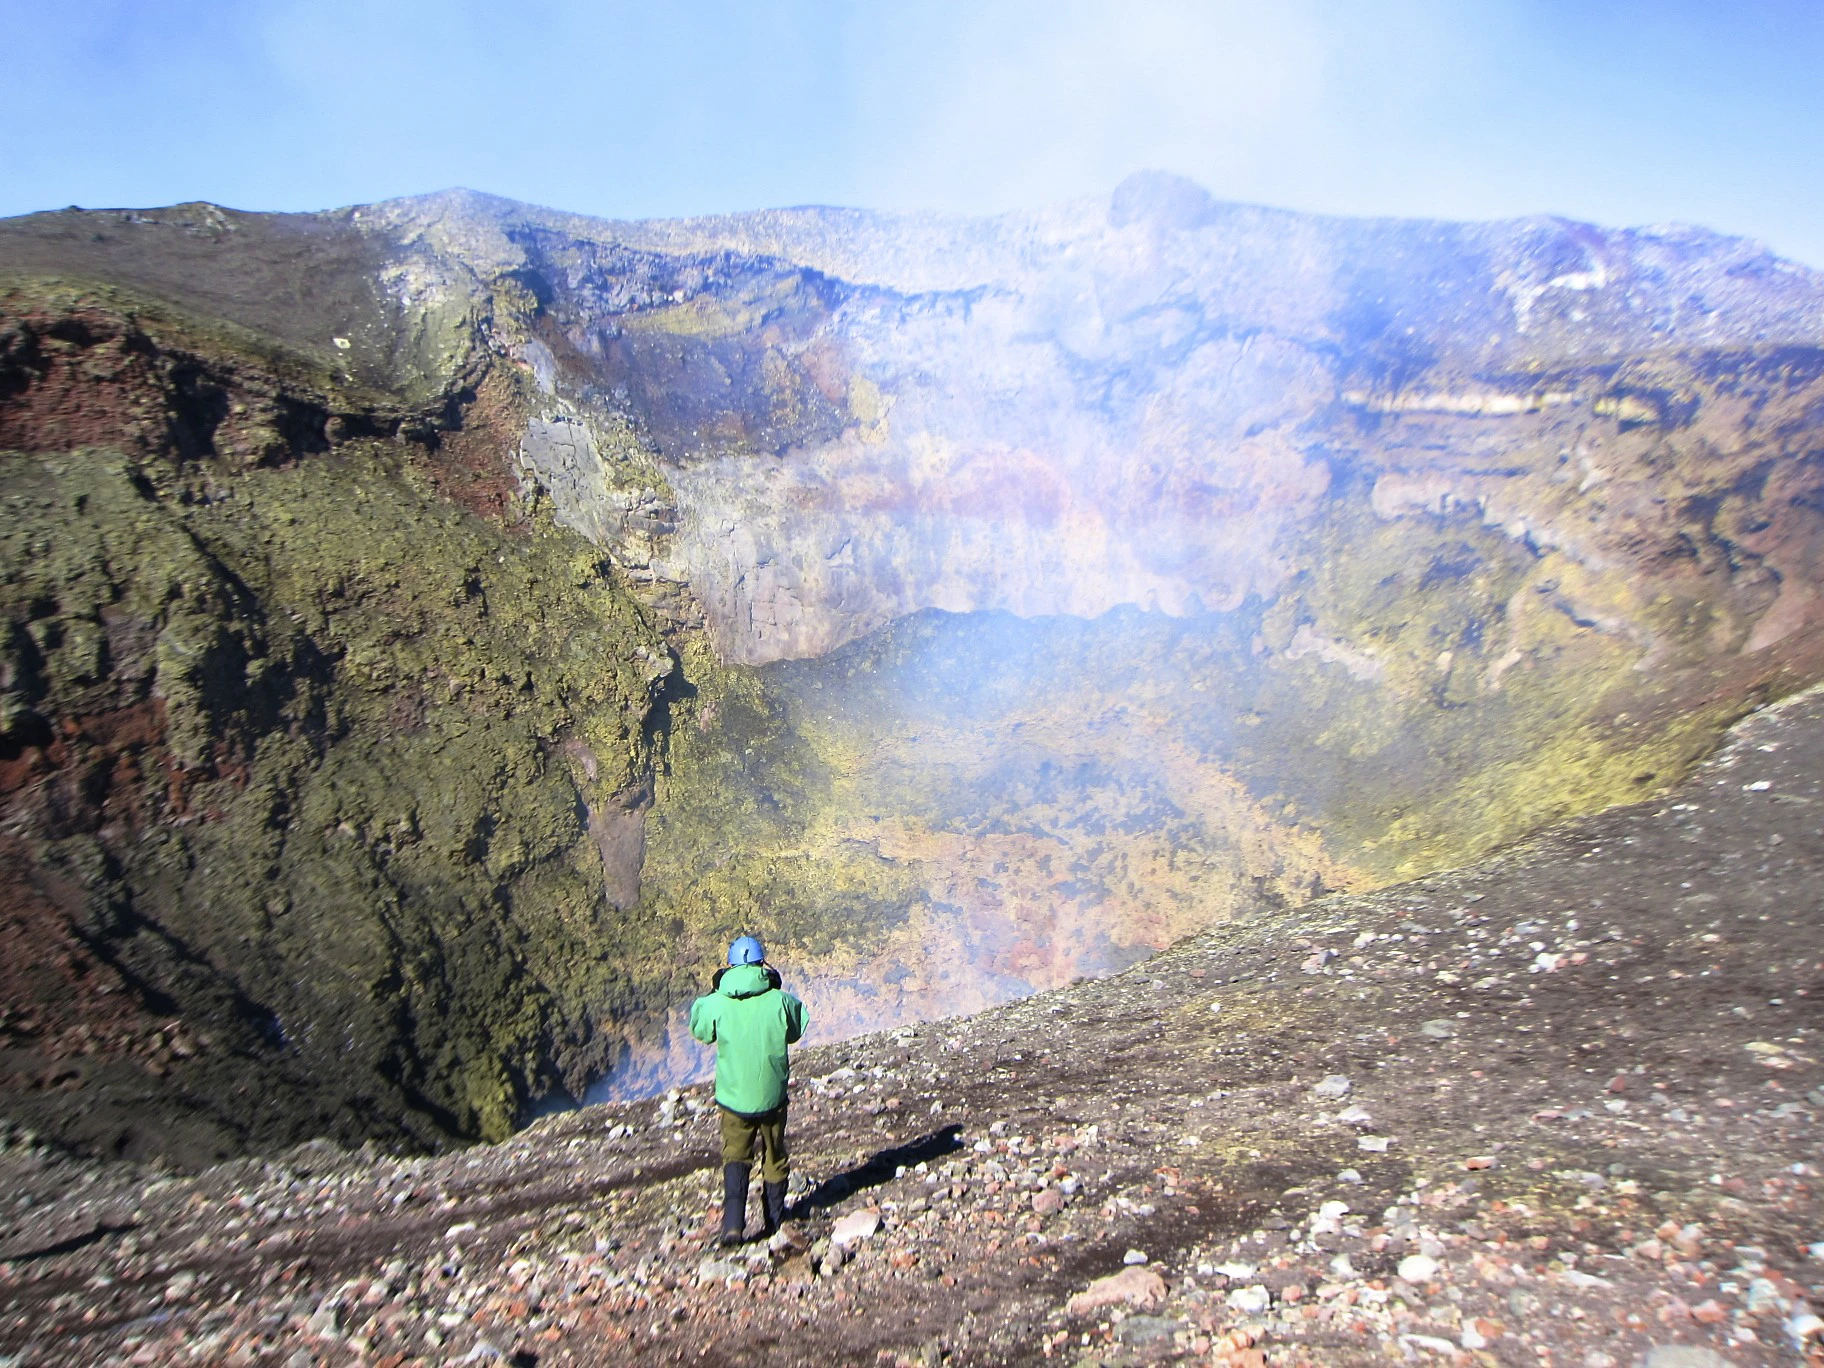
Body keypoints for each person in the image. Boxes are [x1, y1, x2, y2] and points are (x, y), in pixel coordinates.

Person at [689, 934, 808, 1245]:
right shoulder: (780, 1001)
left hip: (733, 1098)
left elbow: (701, 1030)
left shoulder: (717, 1001)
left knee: (736, 1156)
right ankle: (774, 1221)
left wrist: (715, 990)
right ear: (762, 965)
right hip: (772, 1097)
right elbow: (796, 1029)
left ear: (730, 966)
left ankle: (732, 1227)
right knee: (775, 1156)